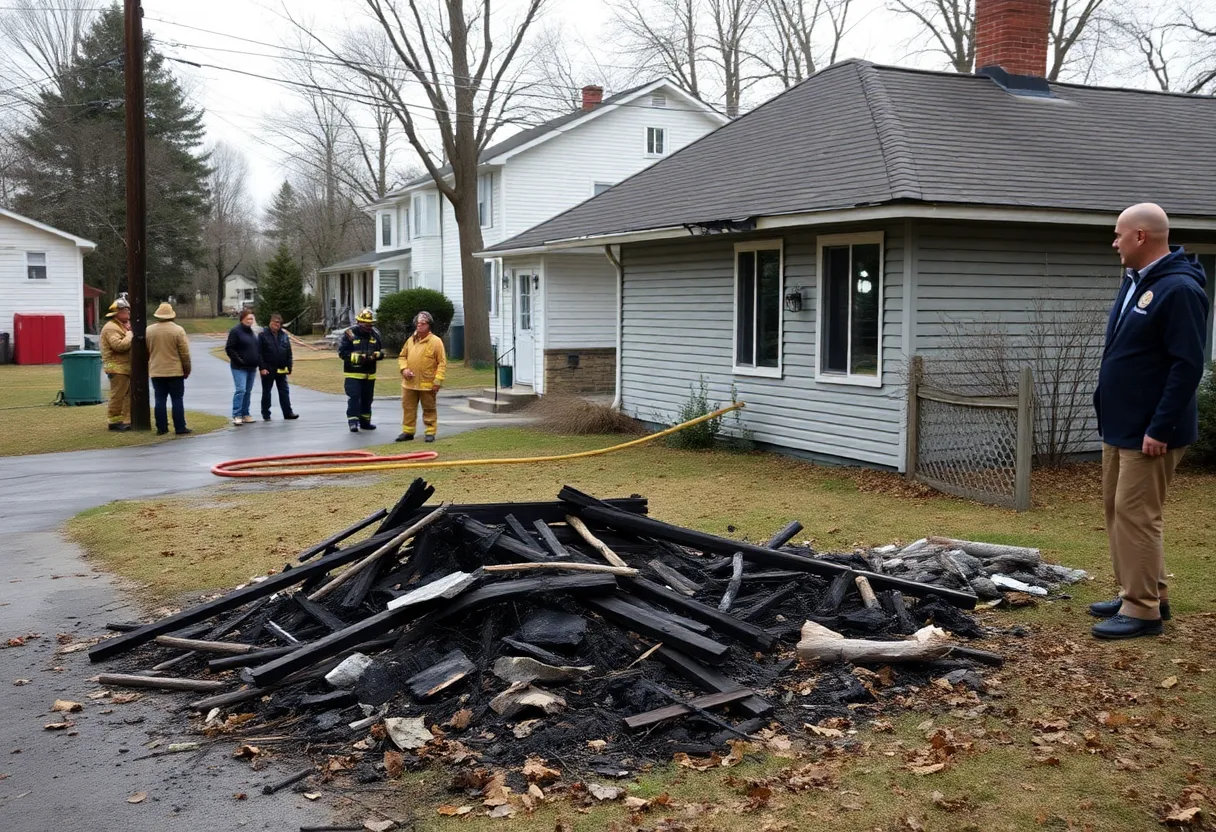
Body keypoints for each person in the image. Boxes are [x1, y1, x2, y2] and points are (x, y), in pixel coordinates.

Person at [1090, 202, 1209, 640]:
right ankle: (1140, 592)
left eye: (1119, 234)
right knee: (1116, 510)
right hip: (1121, 424)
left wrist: (1161, 426)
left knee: (1137, 514)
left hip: (1152, 431)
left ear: (1141, 236)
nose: (1114, 241)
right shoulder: (1136, 282)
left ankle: (1141, 612)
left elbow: (1186, 365)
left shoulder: (1178, 289)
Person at [395, 310, 447, 443]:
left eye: (423, 323)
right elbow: (402, 356)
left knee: (429, 409)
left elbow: (441, 362)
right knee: (408, 408)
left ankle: (430, 432)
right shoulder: (410, 340)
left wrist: (438, 381)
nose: (420, 325)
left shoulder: (436, 342)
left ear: (429, 325)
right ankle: (408, 431)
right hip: (409, 383)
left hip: (427, 384)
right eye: (418, 323)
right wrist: (404, 369)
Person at [145, 302, 193, 436]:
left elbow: (146, 350)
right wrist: (187, 369)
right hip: (174, 371)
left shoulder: (149, 330)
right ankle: (180, 427)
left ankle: (161, 427)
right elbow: (184, 353)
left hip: (156, 370)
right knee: (177, 399)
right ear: (171, 315)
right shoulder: (178, 330)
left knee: (160, 399)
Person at [338, 307, 384, 432]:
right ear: (359, 322)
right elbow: (342, 353)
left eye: (371, 324)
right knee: (354, 397)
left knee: (367, 399)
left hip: (370, 374)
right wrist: (358, 357)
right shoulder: (350, 334)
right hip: (353, 374)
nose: (369, 326)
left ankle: (365, 422)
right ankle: (353, 422)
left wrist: (376, 355)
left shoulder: (375, 334)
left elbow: (381, 351)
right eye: (366, 324)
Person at [99, 296, 133, 432]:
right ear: (118, 312)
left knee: (126, 396)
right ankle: (114, 422)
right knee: (118, 396)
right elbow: (119, 346)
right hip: (117, 368)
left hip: (124, 368)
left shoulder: (121, 326)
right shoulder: (111, 328)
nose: (129, 313)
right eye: (126, 310)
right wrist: (130, 334)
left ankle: (126, 420)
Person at [258, 312, 298, 421]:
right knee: (267, 392)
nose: (277, 325)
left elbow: (289, 352)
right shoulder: (262, 335)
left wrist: (289, 366)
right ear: (270, 322)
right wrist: (262, 367)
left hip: (281, 368)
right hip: (268, 368)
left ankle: (288, 412)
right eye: (275, 322)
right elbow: (259, 353)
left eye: (279, 323)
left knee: (284, 391)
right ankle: (266, 414)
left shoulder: (284, 335)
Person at [225, 309, 260, 426]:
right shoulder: (236, 331)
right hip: (239, 367)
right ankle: (237, 414)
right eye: (249, 319)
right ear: (242, 319)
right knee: (241, 390)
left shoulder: (252, 332)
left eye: (252, 319)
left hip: (252, 367)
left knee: (248, 391)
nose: (251, 321)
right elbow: (230, 348)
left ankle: (246, 413)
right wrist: (239, 360)